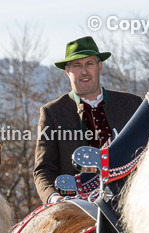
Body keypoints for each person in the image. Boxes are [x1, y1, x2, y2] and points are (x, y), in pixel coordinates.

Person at [32, 36, 142, 203]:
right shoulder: (52, 113)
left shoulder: (131, 104)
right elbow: (43, 170)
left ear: (99, 66)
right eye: (77, 65)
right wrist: (54, 198)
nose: (84, 71)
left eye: (89, 64)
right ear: (67, 71)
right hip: (79, 205)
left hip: (133, 199)